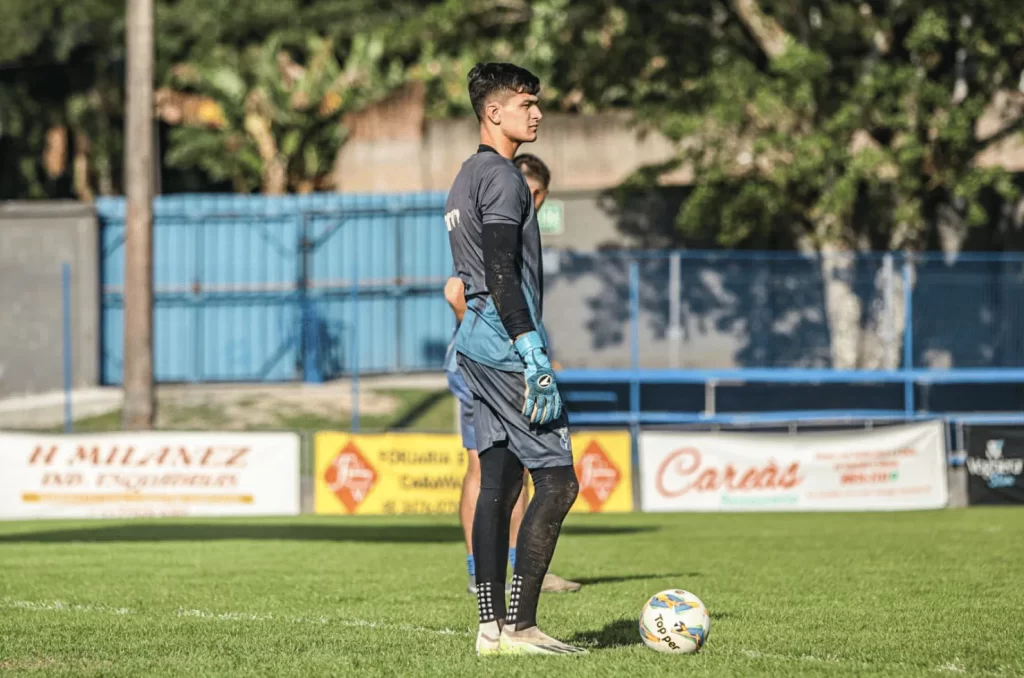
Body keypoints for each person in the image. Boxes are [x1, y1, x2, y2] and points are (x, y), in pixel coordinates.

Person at [444, 61, 586, 656]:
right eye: (527, 102)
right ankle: (521, 626)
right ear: (493, 112)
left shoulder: (464, 176)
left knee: (499, 478)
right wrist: (533, 352)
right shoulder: (503, 177)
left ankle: (490, 627)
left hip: (475, 345)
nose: (538, 113)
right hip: (505, 347)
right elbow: (500, 272)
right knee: (557, 482)